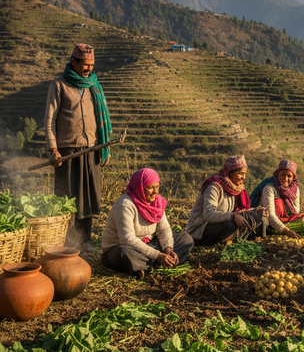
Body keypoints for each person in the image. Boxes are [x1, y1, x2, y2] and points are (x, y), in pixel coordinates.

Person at [44, 43, 112, 251]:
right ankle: (67, 243)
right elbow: (49, 120)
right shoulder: (59, 86)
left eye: (91, 65)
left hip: (91, 150)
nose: (88, 69)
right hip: (67, 151)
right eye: (84, 64)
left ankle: (84, 241)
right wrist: (53, 149)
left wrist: (104, 148)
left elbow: (103, 120)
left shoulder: (94, 86)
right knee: (67, 196)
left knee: (89, 195)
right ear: (73, 62)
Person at [101, 168, 194, 279]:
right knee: (125, 253)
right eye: (150, 188)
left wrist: (168, 249)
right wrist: (158, 255)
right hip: (122, 248)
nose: (155, 191)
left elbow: (163, 229)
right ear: (139, 187)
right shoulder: (124, 205)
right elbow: (127, 239)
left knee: (186, 239)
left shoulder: (157, 202)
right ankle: (156, 263)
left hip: (149, 244)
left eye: (157, 187)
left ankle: (148, 265)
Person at [186, 155, 268, 245]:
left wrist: (256, 210)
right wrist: (233, 216)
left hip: (222, 224)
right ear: (230, 172)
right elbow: (208, 215)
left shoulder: (236, 188)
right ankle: (231, 238)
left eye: (245, 174)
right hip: (200, 231)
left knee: (258, 217)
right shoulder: (214, 187)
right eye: (240, 173)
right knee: (231, 225)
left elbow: (240, 211)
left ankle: (234, 238)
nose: (243, 177)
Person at [249, 159, 304, 238]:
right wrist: (287, 231)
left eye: (289, 176)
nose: (285, 178)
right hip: (270, 221)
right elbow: (270, 215)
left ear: (293, 178)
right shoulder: (269, 188)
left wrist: (288, 199)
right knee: (276, 205)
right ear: (277, 175)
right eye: (282, 175)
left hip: (286, 219)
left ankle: (283, 229)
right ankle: (279, 230)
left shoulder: (295, 190)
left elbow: (296, 211)